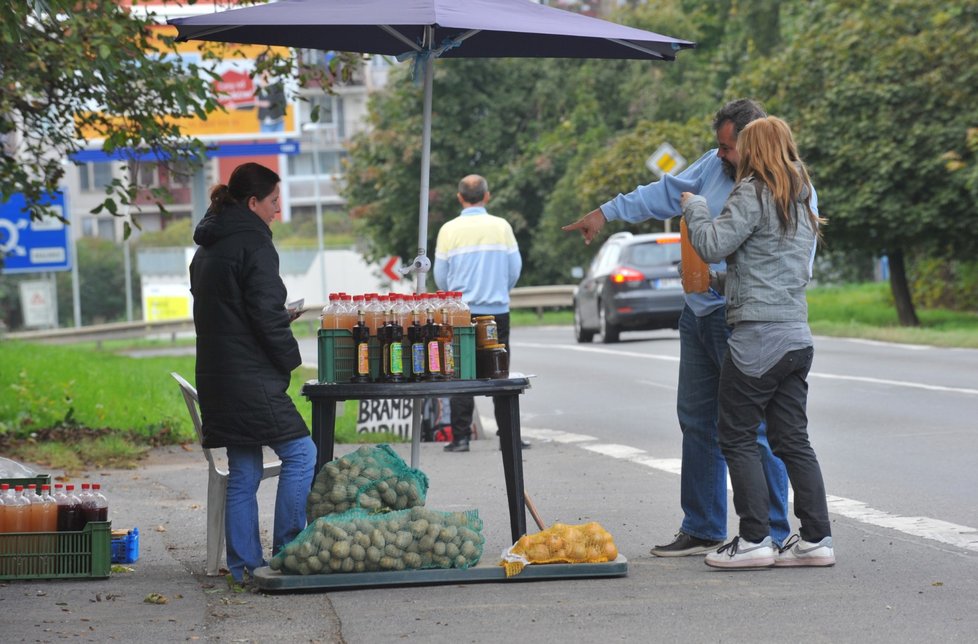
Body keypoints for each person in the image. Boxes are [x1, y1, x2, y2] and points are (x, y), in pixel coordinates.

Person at [563, 99, 802, 556]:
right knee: (697, 421)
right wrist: (605, 212)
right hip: (699, 314)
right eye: (719, 146)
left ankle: (772, 531)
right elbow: (664, 190)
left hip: (745, 321)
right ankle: (703, 525)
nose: (721, 155)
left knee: (752, 429)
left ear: (753, 144)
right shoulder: (713, 167)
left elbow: (792, 264)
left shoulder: (786, 187)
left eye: (729, 148)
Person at [681, 116, 833, 568]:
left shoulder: (752, 191)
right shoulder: (801, 196)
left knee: (736, 435)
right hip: (795, 335)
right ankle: (816, 540)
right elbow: (779, 270)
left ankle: (753, 541)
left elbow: (710, 243)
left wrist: (695, 207)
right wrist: (725, 280)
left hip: (758, 338)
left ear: (755, 150)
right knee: (792, 439)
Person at [189, 162, 316, 583]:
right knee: (302, 454)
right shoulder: (254, 244)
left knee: (244, 469)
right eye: (274, 201)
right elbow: (263, 313)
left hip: (216, 371)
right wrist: (290, 359)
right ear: (253, 202)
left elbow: (227, 309)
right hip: (248, 373)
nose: (278, 210)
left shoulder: (208, 246)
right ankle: (289, 555)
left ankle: (244, 568)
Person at [433, 174, 525, 453]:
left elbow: (440, 277)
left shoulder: (449, 230)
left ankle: (461, 438)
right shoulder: (502, 227)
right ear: (487, 196)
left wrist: (458, 299)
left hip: (462, 314)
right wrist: (499, 291)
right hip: (497, 311)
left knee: (461, 371)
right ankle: (509, 436)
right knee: (500, 371)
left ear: (460, 197)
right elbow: (514, 270)